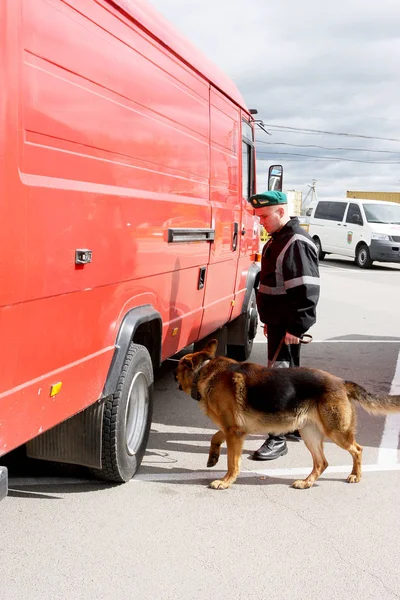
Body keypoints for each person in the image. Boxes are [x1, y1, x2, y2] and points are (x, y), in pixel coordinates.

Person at [248, 190, 320, 460]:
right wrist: (269, 321)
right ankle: (293, 426)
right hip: (279, 325)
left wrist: (295, 327)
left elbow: (307, 290)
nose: (261, 222)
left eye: (264, 216)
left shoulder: (295, 242)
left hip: (288, 326)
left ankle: (276, 438)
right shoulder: (278, 239)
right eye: (258, 217)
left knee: (276, 381)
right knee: (290, 377)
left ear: (281, 211)